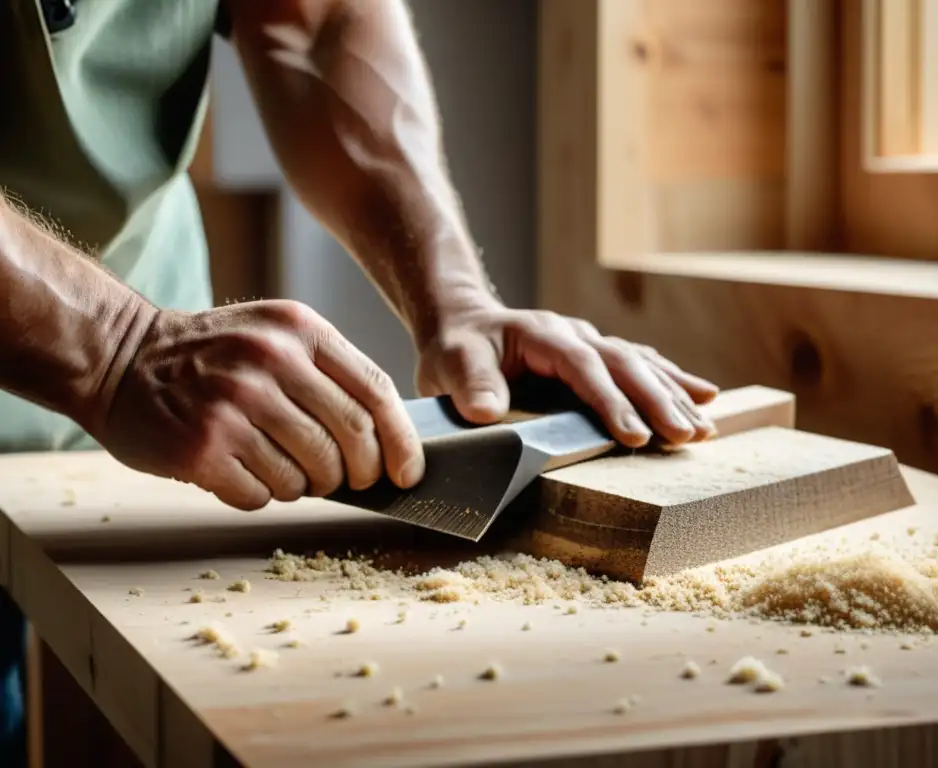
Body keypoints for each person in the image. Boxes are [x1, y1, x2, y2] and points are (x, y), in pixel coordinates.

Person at [0, 0, 720, 762]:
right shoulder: (123, 350)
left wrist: (455, 300)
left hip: (130, 438)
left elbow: (320, 21)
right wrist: (115, 346)